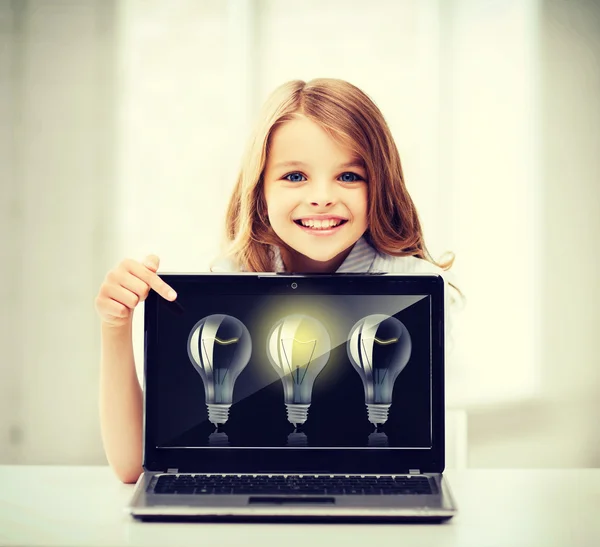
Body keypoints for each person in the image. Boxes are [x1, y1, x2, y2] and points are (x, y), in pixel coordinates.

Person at [94, 78, 462, 483]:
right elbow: (132, 466)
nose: (322, 196)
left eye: (349, 176)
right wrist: (115, 326)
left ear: (381, 185)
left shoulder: (414, 288)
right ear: (260, 190)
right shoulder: (226, 283)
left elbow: (412, 456)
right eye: (295, 177)